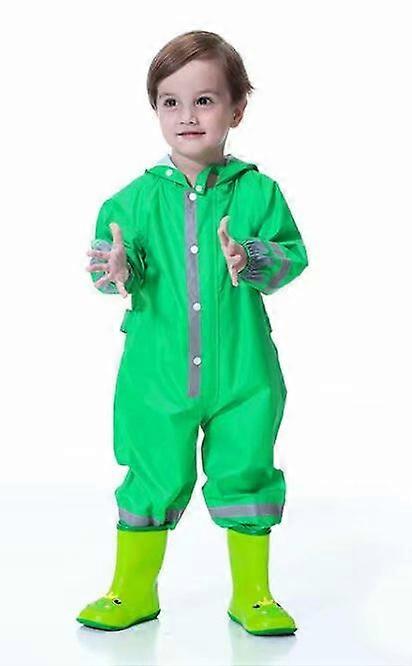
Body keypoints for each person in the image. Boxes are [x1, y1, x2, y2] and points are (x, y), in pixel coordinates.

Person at [77, 30, 309, 636]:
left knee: (247, 467)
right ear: (154, 109)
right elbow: (109, 271)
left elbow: (292, 258)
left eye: (204, 100)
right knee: (152, 470)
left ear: (237, 108)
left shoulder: (259, 192)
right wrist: (118, 269)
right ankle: (131, 590)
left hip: (243, 373)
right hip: (156, 375)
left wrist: (250, 257)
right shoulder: (130, 201)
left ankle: (253, 594)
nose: (187, 116)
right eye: (170, 102)